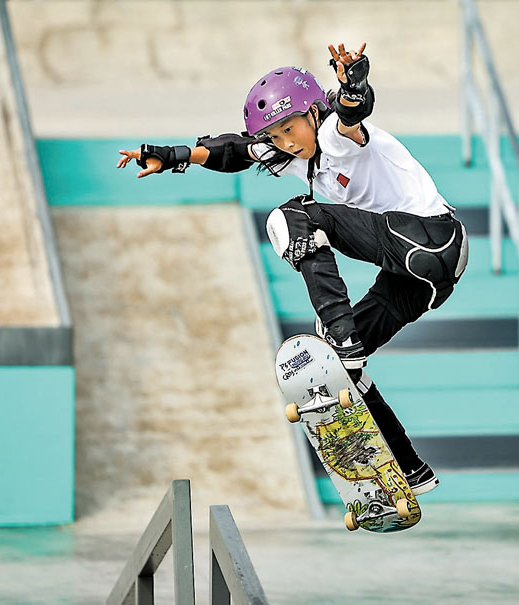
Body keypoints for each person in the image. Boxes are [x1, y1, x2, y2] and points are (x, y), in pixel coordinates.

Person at [117, 43, 468, 495]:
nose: (288, 144)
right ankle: (410, 468)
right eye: (278, 138)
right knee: (336, 370)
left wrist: (352, 84)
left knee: (291, 220)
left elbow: (352, 112)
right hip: (421, 278)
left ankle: (342, 335)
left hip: (430, 240)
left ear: (313, 114)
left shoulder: (337, 138)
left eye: (291, 129)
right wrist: (173, 156)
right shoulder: (294, 157)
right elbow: (234, 150)